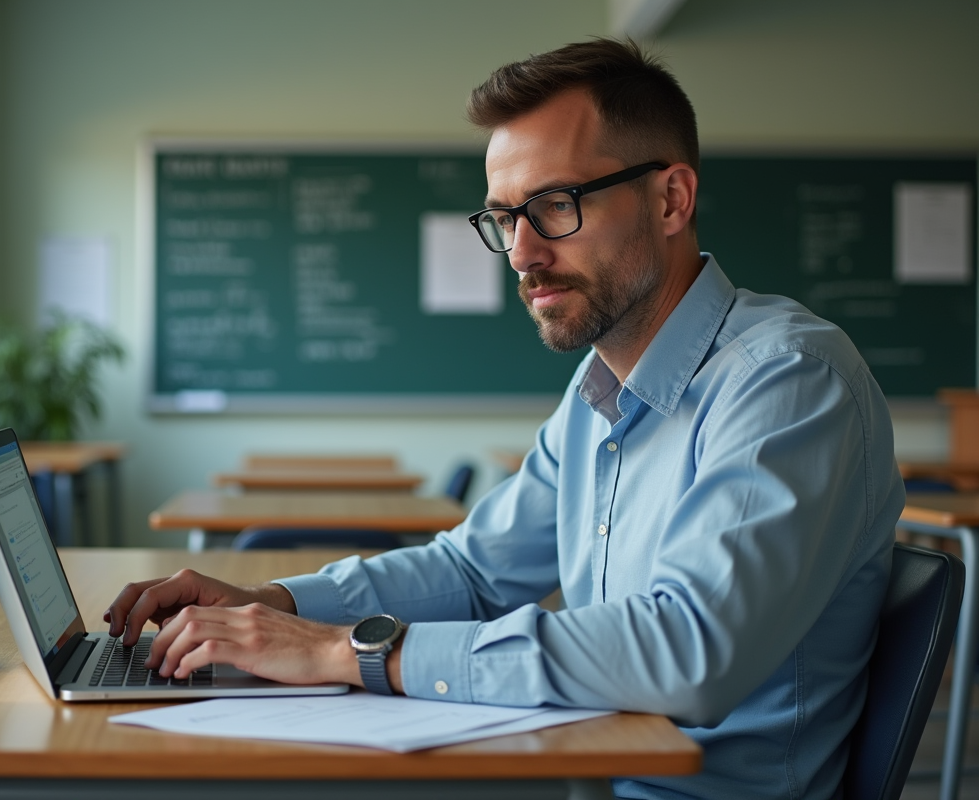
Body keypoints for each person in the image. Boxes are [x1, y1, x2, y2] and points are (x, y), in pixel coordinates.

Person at [106, 38, 903, 799]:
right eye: (505, 217)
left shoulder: (787, 380)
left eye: (555, 205)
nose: (521, 253)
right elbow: (473, 573)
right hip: (578, 766)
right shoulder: (599, 388)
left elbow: (688, 651)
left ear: (671, 199)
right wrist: (275, 606)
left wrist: (345, 651)